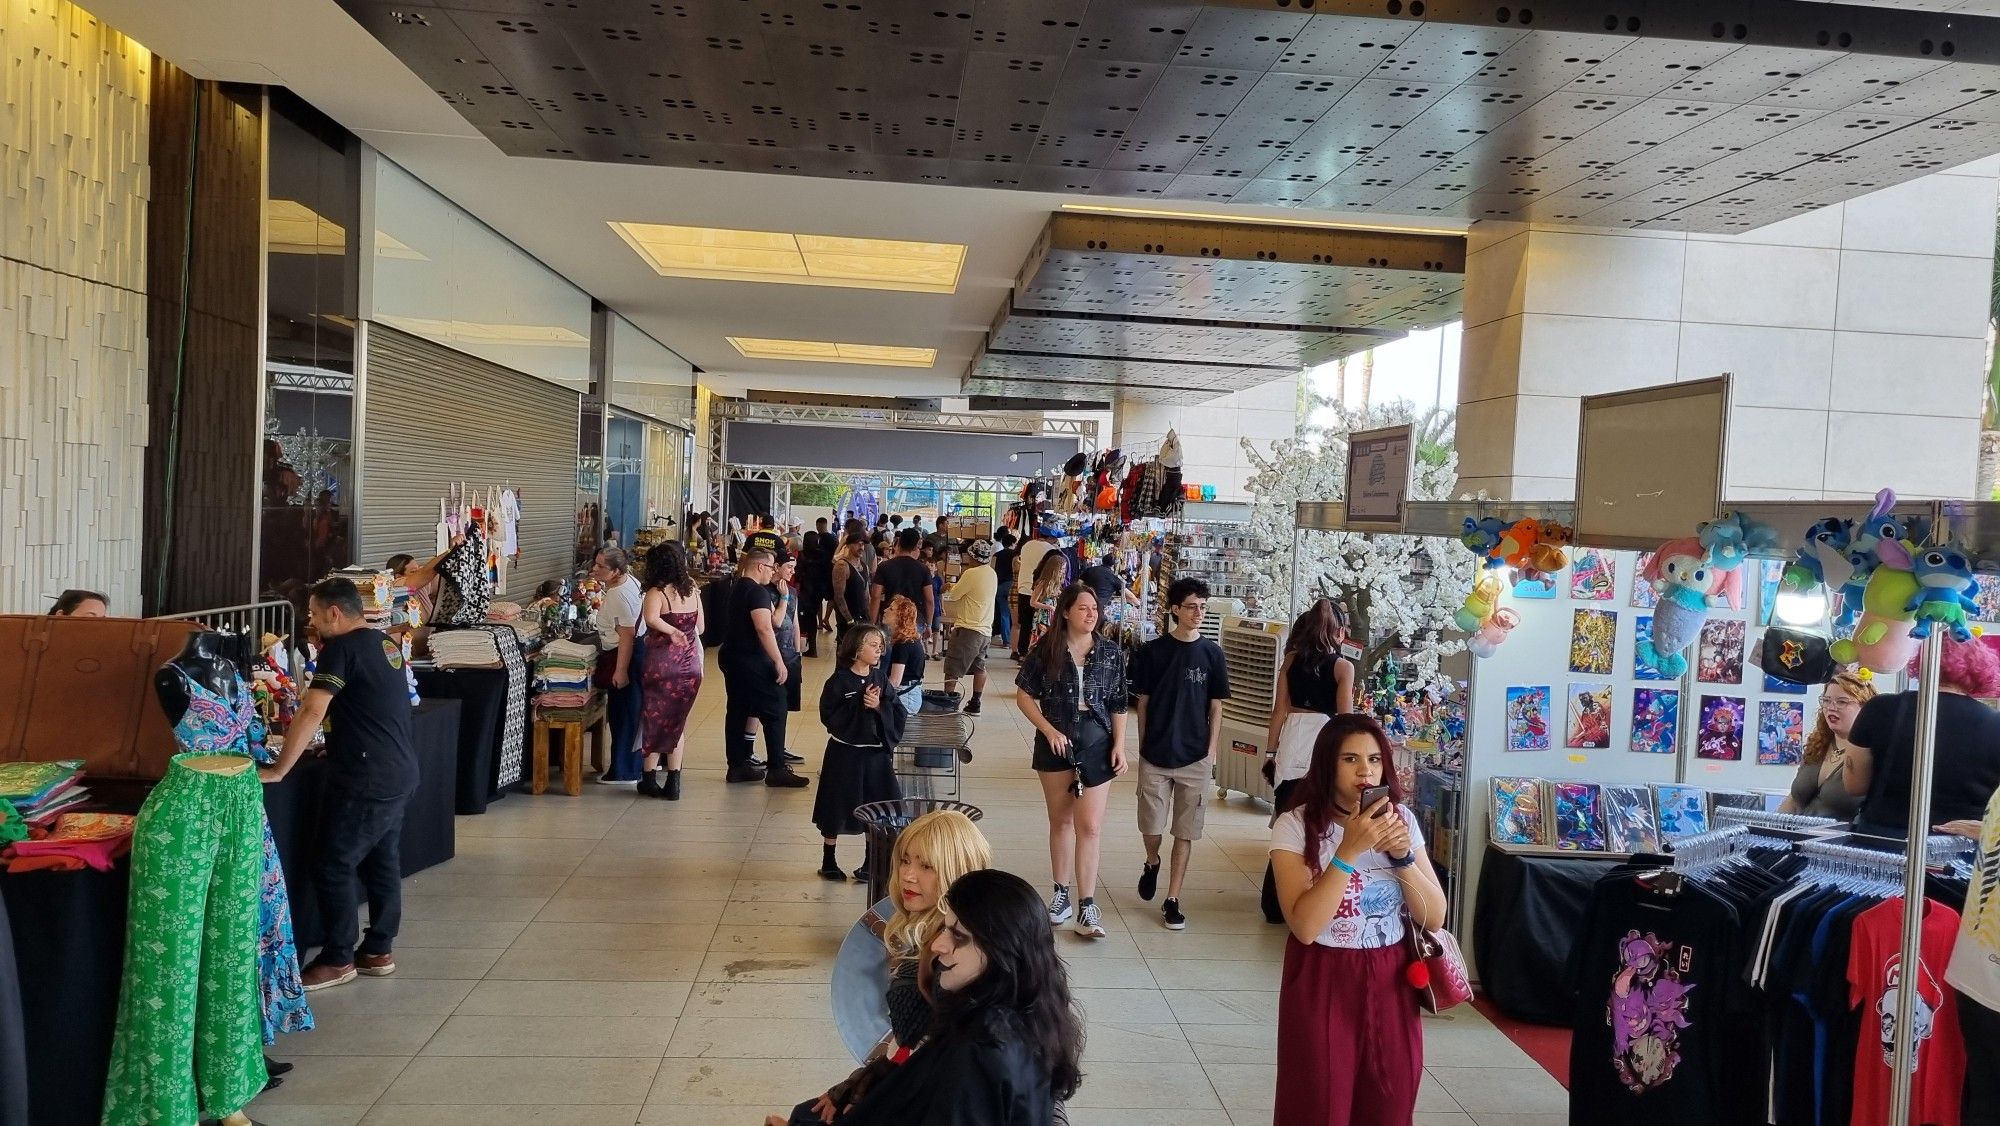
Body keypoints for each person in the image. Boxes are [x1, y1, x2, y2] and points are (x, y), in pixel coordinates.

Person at [767, 869, 1084, 1126]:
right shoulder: (1028, 1009)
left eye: (957, 937)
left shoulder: (981, 1048)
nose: (938, 945)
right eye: (946, 929)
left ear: (1002, 952)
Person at [1268, 713, 1446, 1125]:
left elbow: (1434, 916)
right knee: (1317, 1102)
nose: (1365, 770)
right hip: (1322, 976)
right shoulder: (1294, 827)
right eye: (1349, 759)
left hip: (1392, 975)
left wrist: (1401, 857)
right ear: (1327, 765)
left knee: (1390, 1099)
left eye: (1374, 759)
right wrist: (1348, 850)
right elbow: (1305, 927)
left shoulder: (1403, 822)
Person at [261, 577, 419, 991]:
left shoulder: (342, 649)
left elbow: (313, 710)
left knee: (333, 863)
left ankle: (337, 957)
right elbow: (374, 705)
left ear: (334, 612)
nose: (311, 623)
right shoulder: (383, 644)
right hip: (397, 768)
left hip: (367, 778)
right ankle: (377, 949)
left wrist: (280, 768)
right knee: (382, 861)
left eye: (313, 614)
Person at [795, 810, 996, 1124]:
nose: (909, 875)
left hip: (935, 1100)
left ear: (959, 871)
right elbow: (912, 1045)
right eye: (905, 860)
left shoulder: (957, 954)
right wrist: (864, 1079)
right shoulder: (927, 931)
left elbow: (924, 1045)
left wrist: (875, 1089)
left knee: (804, 1118)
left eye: (926, 866)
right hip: (919, 1081)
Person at [1015, 584, 1127, 939]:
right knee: (1060, 820)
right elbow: (1024, 695)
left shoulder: (1110, 652)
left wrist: (1120, 745)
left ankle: (1088, 904)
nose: (1091, 614)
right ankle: (1060, 894)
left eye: (1094, 608)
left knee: (1090, 826)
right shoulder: (1046, 650)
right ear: (1065, 612)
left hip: (1096, 739)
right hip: (1056, 739)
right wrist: (1048, 730)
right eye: (1083, 608)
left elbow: (1119, 702)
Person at [1132, 578, 1231, 931]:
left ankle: (1172, 898)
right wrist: (1141, 746)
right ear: (1174, 610)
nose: (1198, 612)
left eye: (1203, 606)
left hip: (1195, 756)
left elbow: (1216, 706)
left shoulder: (1212, 653)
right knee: (1151, 824)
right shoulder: (1151, 652)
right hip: (1155, 753)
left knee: (1186, 831)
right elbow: (1141, 703)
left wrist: (1211, 751)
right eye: (1191, 606)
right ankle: (1151, 859)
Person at [1846, 634, 2000, 836]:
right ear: (1980, 667)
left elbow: (1854, 785)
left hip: (1886, 838)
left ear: (1920, 661)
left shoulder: (1881, 708)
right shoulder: (1994, 723)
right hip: (1961, 845)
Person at [1262, 598, 1356, 923]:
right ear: (1339, 632)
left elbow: (1279, 712)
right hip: (1323, 742)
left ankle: (1273, 902)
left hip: (1291, 740)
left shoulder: (1290, 661)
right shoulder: (1343, 668)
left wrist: (1271, 752)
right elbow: (1345, 718)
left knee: (1285, 817)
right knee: (1318, 820)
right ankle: (1314, 895)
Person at [813, 622, 906, 880]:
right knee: (836, 805)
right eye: (873, 646)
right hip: (844, 753)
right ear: (856, 649)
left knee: (874, 806)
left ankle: (869, 862)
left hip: (874, 754)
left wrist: (877, 707)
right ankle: (829, 860)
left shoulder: (879, 678)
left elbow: (897, 709)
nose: (879, 651)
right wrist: (857, 705)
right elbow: (828, 716)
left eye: (881, 647)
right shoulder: (839, 681)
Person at [720, 549, 810, 788]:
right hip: (753, 659)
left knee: (738, 709)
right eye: (771, 567)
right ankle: (777, 768)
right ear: (760, 566)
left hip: (732, 656)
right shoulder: (757, 592)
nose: (773, 572)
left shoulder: (738, 587)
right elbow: (765, 628)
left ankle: (737, 765)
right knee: (775, 708)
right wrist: (779, 661)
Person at [636, 543, 702, 800]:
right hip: (691, 665)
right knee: (677, 722)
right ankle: (674, 781)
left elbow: (651, 619)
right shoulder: (693, 590)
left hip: (662, 665)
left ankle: (649, 778)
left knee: (654, 718)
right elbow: (702, 626)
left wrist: (670, 631)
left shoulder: (656, 593)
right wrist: (681, 629)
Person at [1778, 670, 1874, 819]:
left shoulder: (1872, 753)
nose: (1831, 707)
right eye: (1827, 700)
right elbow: (1794, 800)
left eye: (1842, 702)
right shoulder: (1818, 744)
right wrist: (1768, 831)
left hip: (1839, 841)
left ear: (1865, 707)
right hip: (1798, 837)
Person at [591, 546, 646, 785]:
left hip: (625, 656)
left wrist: (620, 670)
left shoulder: (617, 595)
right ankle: (629, 766)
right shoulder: (628, 581)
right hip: (633, 653)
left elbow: (626, 635)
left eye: (600, 566)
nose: (594, 569)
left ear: (615, 571)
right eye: (595, 563)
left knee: (624, 714)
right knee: (628, 713)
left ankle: (625, 770)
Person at [942, 539, 997, 715]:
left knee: (953, 669)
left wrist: (949, 586)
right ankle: (975, 702)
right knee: (980, 666)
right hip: (985, 630)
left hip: (968, 629)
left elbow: (955, 595)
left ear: (971, 556)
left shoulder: (971, 573)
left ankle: (947, 704)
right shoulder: (992, 573)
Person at [871, 528, 935, 628]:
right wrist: (929, 624)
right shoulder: (923, 569)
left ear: (899, 542)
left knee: (889, 643)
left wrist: (872, 623)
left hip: (891, 616)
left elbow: (875, 596)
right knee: (913, 643)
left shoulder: (884, 566)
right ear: (915, 546)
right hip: (914, 618)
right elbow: (929, 599)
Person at [1013, 529, 1056, 660]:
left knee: (1025, 623)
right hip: (1039, 590)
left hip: (1023, 588)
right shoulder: (1050, 549)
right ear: (1051, 538)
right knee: (1038, 624)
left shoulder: (1027, 545)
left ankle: (1022, 653)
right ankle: (1034, 654)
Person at [883, 595, 927, 716]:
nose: (885, 610)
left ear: (900, 616)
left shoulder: (903, 644)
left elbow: (895, 681)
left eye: (891, 609)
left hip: (905, 698)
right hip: (911, 694)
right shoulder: (909, 639)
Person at [800, 517, 834, 658]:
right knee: (812, 616)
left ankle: (805, 644)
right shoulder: (824, 555)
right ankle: (812, 645)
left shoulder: (802, 556)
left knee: (805, 618)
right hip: (819, 589)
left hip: (805, 590)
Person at [1025, 551, 1068, 649]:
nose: (1063, 571)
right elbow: (1032, 602)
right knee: (1039, 640)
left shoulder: (1057, 584)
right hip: (1042, 617)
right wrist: (1048, 607)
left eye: (1064, 569)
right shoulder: (1043, 583)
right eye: (1061, 569)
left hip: (1051, 616)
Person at [833, 537, 869, 630]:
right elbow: (839, 596)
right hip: (848, 619)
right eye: (857, 544)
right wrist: (849, 620)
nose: (861, 547)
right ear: (848, 545)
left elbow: (866, 594)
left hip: (863, 618)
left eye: (862, 544)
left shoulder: (864, 566)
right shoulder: (842, 565)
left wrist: (869, 616)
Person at [991, 530, 1017, 648]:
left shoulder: (997, 555)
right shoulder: (1016, 555)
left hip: (999, 586)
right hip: (1012, 586)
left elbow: (992, 569)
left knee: (1004, 614)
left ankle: (1006, 641)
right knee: (1014, 615)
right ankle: (1012, 640)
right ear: (1012, 543)